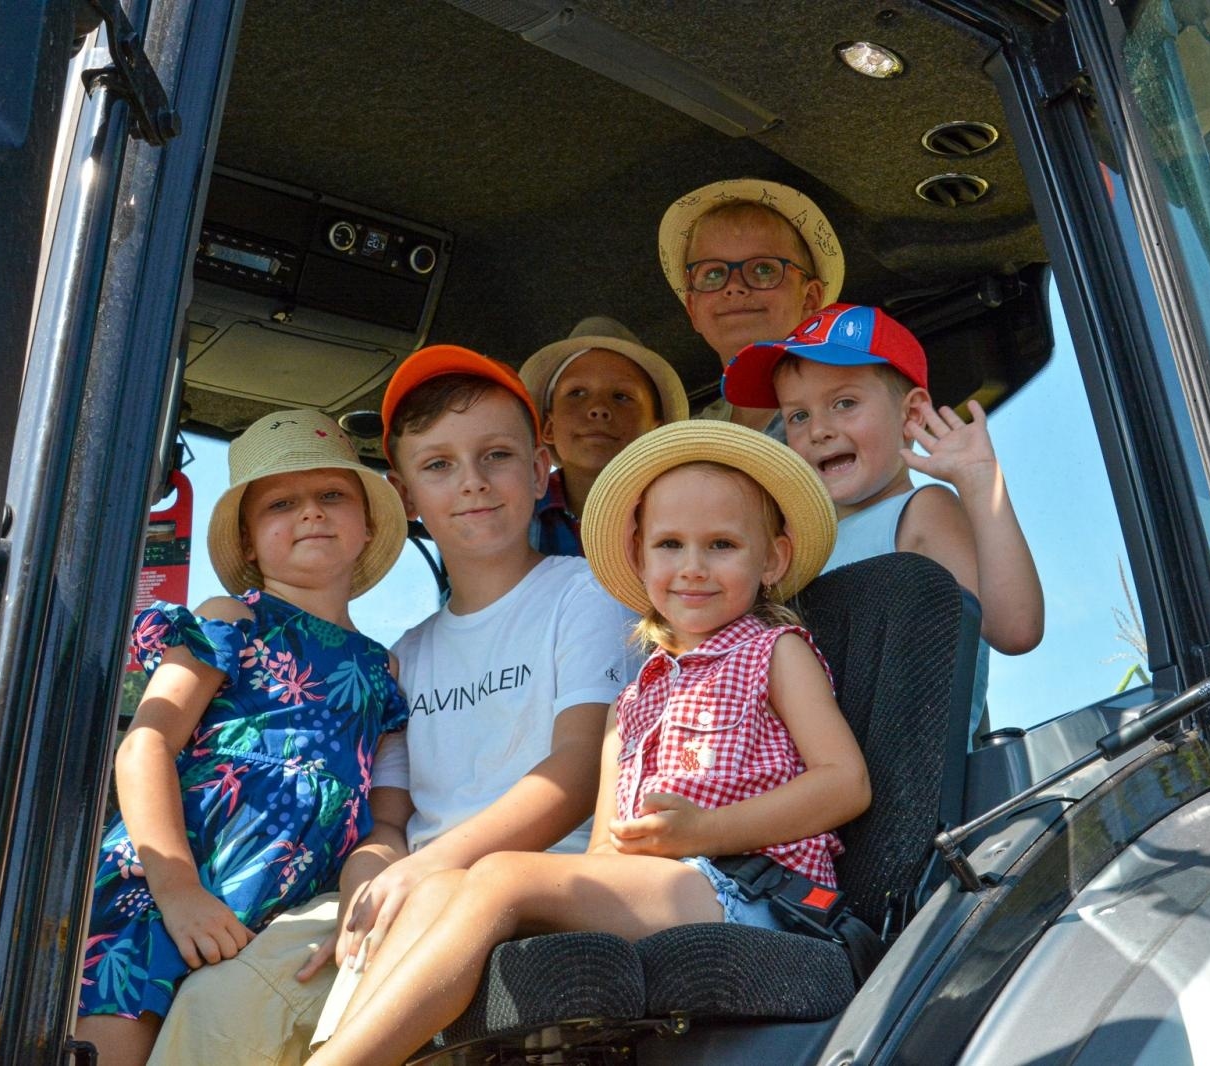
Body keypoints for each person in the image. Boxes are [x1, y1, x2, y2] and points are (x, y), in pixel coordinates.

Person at [307, 420, 871, 1066]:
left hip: (753, 891)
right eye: (669, 544)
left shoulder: (773, 651)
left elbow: (845, 783)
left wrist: (705, 831)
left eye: (721, 545)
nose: (692, 567)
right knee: (439, 889)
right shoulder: (631, 701)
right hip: (659, 886)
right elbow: (605, 848)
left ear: (771, 559)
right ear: (639, 556)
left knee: (500, 876)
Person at [142, 347, 639, 1065]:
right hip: (410, 888)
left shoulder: (586, 593)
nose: (471, 482)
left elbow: (579, 768)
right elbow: (389, 821)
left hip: (529, 881)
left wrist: (423, 870)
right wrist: (368, 878)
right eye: (438, 465)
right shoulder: (401, 657)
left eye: (496, 456)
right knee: (220, 1000)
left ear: (539, 472)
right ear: (404, 497)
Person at [76, 409, 412, 1066]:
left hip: (283, 915)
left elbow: (386, 820)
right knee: (114, 1045)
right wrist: (178, 891)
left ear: (367, 524)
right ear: (250, 544)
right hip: (168, 885)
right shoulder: (232, 620)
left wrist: (365, 893)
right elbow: (146, 744)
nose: (310, 512)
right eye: (281, 504)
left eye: (332, 494)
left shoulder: (382, 671)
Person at [722, 302, 1045, 737]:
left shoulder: (920, 513)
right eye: (798, 416)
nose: (818, 430)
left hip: (911, 773)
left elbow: (1016, 628)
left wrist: (980, 483)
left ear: (911, 415)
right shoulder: (798, 548)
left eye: (844, 403)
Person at [658, 178, 843, 437]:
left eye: (763, 269)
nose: (734, 286)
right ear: (693, 309)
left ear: (809, 299)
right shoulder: (694, 438)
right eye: (713, 274)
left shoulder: (852, 404)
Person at [518, 315, 689, 555]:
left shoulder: (688, 511)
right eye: (577, 393)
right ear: (548, 427)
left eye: (621, 396)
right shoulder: (515, 512)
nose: (598, 408)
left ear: (656, 432)